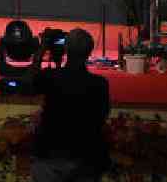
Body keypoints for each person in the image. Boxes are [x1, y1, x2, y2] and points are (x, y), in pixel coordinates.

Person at [27, 28, 110, 182]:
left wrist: (42, 47)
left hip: (50, 157)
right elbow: (103, 116)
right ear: (89, 52)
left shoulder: (51, 77)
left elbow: (30, 82)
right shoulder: (100, 84)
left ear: (66, 49)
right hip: (86, 158)